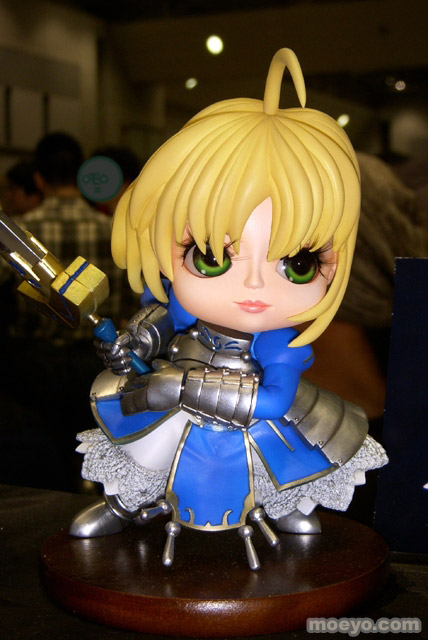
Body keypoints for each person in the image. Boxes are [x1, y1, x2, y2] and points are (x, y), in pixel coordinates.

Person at [69, 49, 387, 568]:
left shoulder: (280, 340)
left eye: (299, 263)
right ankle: (122, 504)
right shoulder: (179, 299)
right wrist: (136, 340)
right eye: (211, 257)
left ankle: (286, 506)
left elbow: (274, 400)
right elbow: (167, 315)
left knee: (272, 461)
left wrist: (182, 386)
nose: (255, 283)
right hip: (175, 403)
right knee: (148, 450)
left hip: (243, 418)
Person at [0, 132, 134, 491]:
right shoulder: (112, 230)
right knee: (96, 443)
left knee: (47, 450)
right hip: (98, 362)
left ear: (39, 178)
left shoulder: (23, 235)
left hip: (37, 363)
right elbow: (131, 300)